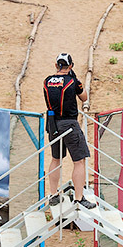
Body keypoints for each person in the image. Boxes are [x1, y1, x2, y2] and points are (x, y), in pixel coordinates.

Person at [43, 52, 95, 209]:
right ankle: (79, 199)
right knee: (79, 161)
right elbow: (84, 97)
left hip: (52, 123)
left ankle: (53, 195)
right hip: (70, 123)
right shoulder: (73, 81)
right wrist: (76, 80)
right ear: (70, 66)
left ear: (56, 65)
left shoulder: (47, 81)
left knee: (56, 159)